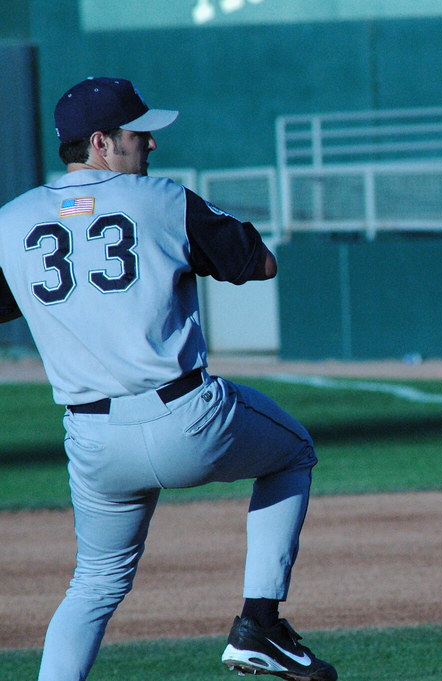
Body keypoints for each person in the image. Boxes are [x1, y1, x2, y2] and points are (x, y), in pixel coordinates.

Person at [0, 77, 337, 681]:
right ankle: (259, 624)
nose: (151, 143)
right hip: (188, 419)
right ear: (101, 142)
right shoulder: (160, 199)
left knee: (95, 584)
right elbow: (259, 263)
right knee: (292, 453)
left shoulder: (11, 220)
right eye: (138, 132)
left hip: (95, 443)